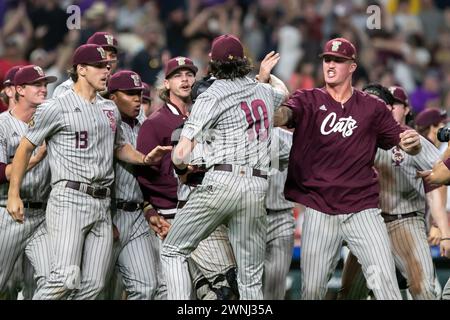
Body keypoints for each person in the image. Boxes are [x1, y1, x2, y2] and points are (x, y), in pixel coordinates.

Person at [6, 44, 171, 300]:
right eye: (98, 66)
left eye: (107, 66)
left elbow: (119, 147)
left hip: (102, 203)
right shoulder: (56, 106)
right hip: (69, 198)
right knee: (65, 278)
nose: (106, 70)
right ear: (81, 69)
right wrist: (14, 193)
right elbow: (25, 148)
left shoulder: (109, 108)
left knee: (94, 285)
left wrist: (144, 158)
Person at [274, 37, 422, 300]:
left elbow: (399, 139)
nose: (330, 65)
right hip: (320, 209)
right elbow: (286, 114)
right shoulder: (308, 99)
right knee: (312, 291)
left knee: (385, 283)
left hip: (362, 209)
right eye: (327, 60)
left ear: (352, 66)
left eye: (338, 61)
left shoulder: (372, 107)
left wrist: (411, 144)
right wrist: (273, 115)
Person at [162, 34, 289, 300]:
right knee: (250, 280)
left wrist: (186, 163)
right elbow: (284, 93)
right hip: (257, 186)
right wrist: (263, 73)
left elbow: (180, 155)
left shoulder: (212, 94)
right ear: (244, 61)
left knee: (173, 250)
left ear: (211, 62)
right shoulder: (263, 90)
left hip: (222, 181)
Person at [136, 56, 238, 300]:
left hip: (205, 213)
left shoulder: (202, 119)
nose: (185, 79)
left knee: (217, 291)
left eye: (189, 74)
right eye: (178, 75)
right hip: (170, 217)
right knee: (177, 294)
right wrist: (152, 210)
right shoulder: (155, 123)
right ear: (167, 83)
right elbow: (142, 174)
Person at [339, 84, 450, 300]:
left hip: (404, 221)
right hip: (367, 224)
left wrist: (440, 226)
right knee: (349, 295)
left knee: (425, 291)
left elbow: (441, 174)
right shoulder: (349, 136)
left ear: (388, 109)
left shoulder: (408, 136)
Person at [104, 70, 161, 299]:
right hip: (107, 211)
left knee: (146, 287)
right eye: (130, 94)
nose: (138, 99)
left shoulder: (145, 124)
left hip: (136, 213)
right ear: (112, 97)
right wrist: (105, 218)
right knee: (95, 288)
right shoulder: (101, 123)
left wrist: (149, 208)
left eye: (139, 93)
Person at [0, 65, 55, 299]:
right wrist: (34, 159)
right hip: (7, 213)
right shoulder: (2, 125)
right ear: (19, 90)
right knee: (4, 283)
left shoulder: (51, 123)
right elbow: (0, 173)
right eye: (37, 85)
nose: (43, 89)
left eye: (45, 84)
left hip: (42, 215)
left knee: (50, 279)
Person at [263, 127, 295, 300]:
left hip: (281, 215)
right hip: (248, 216)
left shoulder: (292, 138)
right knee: (246, 284)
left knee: (276, 283)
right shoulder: (244, 132)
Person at [52, 31, 119, 98]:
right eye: (102, 54)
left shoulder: (121, 89)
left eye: (112, 56)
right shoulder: (66, 89)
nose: (108, 60)